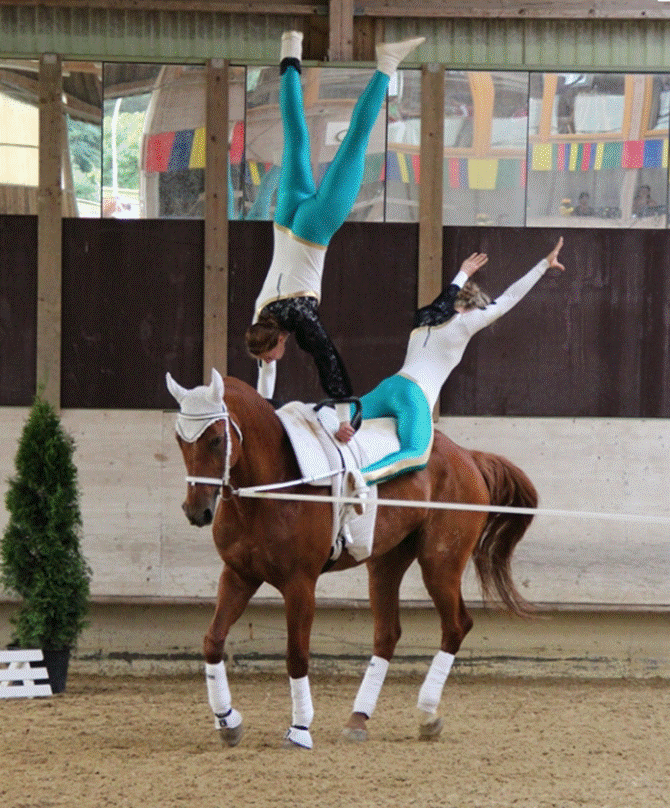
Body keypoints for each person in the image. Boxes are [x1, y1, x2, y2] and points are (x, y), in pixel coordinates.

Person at [245, 30, 425, 443]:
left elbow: (329, 360)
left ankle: (387, 65)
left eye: (275, 353)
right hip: (285, 219)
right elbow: (265, 371)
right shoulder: (261, 318)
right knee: (296, 137)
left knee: (355, 146)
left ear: (274, 343)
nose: (277, 358)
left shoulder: (296, 318)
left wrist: (346, 415)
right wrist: (263, 411)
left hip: (313, 230)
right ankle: (290, 49)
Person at [353, 237, 566, 485]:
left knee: (341, 416)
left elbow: (446, 298)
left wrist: (463, 273)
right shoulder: (465, 323)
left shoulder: (425, 319)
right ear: (475, 307)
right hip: (414, 396)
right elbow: (509, 297)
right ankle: (358, 479)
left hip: (388, 387)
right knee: (417, 454)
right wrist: (543, 265)